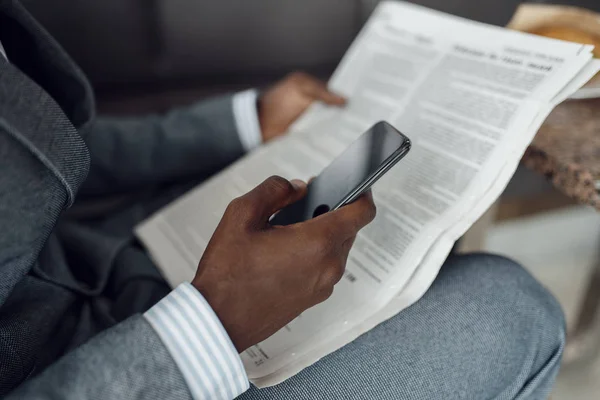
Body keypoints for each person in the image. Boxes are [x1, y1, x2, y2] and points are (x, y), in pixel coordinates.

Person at [0, 1, 565, 399]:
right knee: (511, 307)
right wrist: (212, 323)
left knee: (416, 232)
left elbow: (41, 142)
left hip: (100, 243)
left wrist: (242, 126)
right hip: (116, 369)